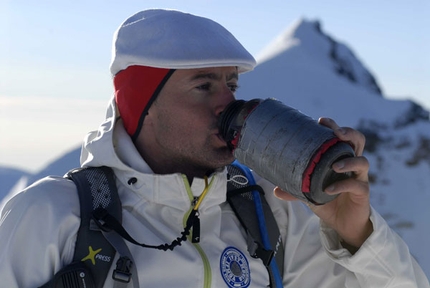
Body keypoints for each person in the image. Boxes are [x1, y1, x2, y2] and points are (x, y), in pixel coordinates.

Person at [0, 8, 428, 288]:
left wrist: (356, 233)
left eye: (231, 84)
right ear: (143, 105)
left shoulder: (267, 215)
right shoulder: (53, 216)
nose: (229, 103)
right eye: (203, 86)